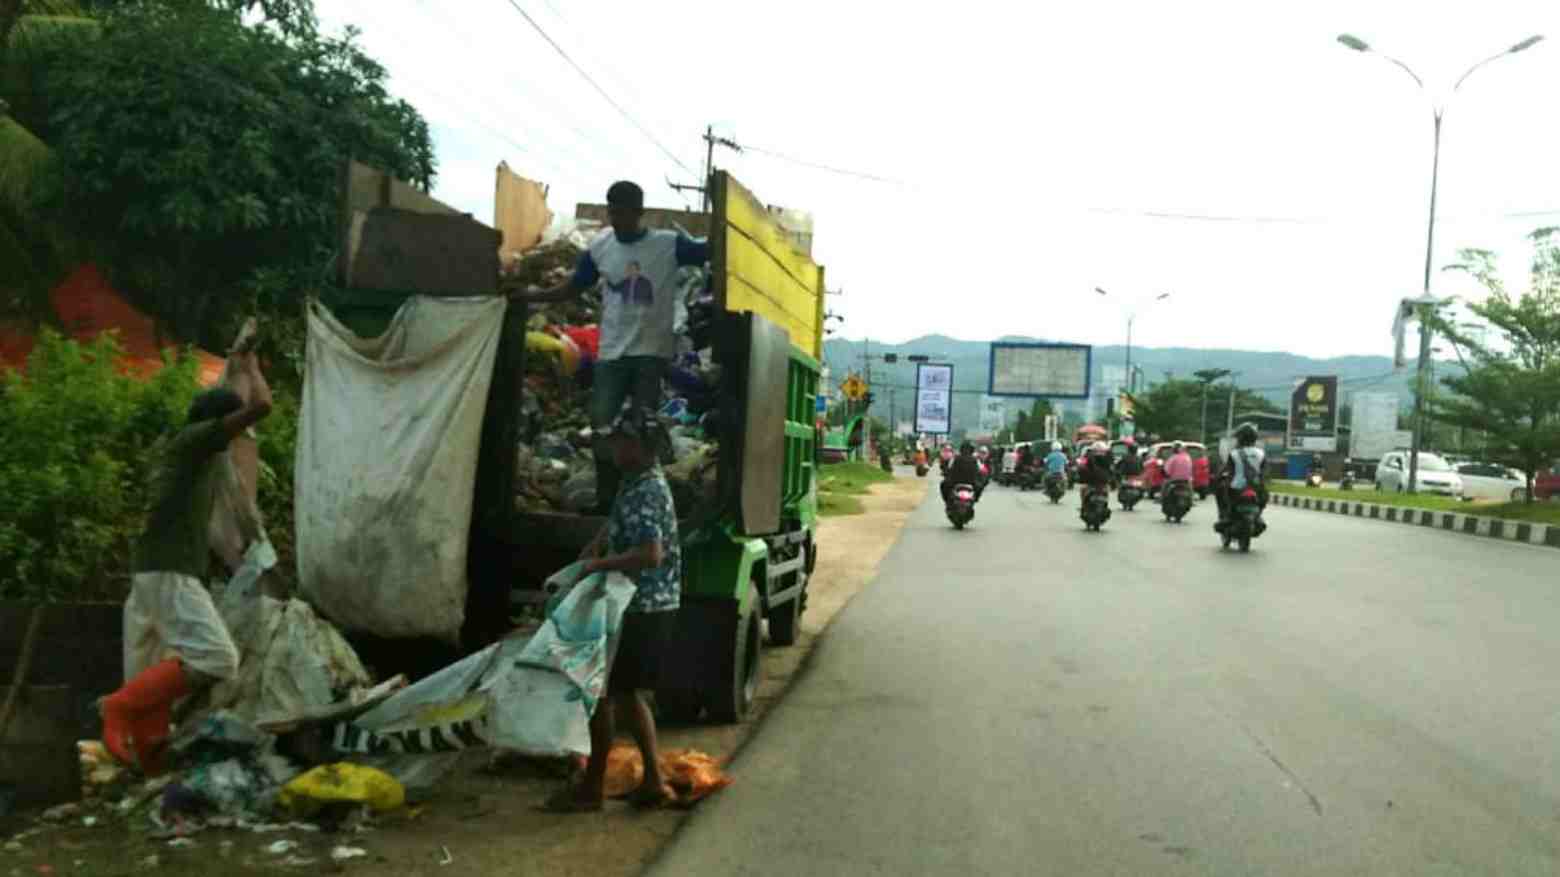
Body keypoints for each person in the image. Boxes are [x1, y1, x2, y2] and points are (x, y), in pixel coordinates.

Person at [100, 342, 273, 774]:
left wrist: (235, 364)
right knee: (218, 658)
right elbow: (262, 406)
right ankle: (116, 709)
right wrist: (250, 370)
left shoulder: (176, 447)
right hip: (171, 572)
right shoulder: (198, 443)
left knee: (152, 672)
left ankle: (149, 766)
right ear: (218, 424)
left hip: (150, 571)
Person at [520, 180, 710, 511]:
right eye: (612, 209)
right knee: (602, 424)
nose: (615, 216)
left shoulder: (667, 245)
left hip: (650, 355)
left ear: (639, 212)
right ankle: (608, 499)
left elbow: (709, 251)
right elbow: (574, 286)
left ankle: (643, 501)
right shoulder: (601, 247)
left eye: (622, 210)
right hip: (612, 354)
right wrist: (533, 296)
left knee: (642, 429)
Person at [545, 407, 681, 812]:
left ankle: (593, 788)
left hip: (643, 605)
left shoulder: (648, 489)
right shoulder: (633, 481)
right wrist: (597, 544)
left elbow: (650, 554)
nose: (614, 449)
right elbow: (619, 522)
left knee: (607, 693)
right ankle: (648, 782)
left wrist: (595, 566)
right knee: (620, 695)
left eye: (622, 442)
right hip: (635, 603)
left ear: (641, 447)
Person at [1215, 422, 1269, 531]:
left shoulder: (1234, 453)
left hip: (1236, 488)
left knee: (1221, 491)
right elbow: (1264, 472)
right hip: (1257, 487)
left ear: (1240, 438)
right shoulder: (1261, 453)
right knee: (1264, 497)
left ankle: (1226, 515)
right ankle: (1258, 515)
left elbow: (1228, 470)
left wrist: (1217, 477)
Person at [1078, 441, 1116, 506]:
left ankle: (1084, 506)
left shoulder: (1090, 458)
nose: (1099, 453)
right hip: (1097, 484)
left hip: (1095, 483)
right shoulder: (1107, 460)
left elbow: (1082, 469)